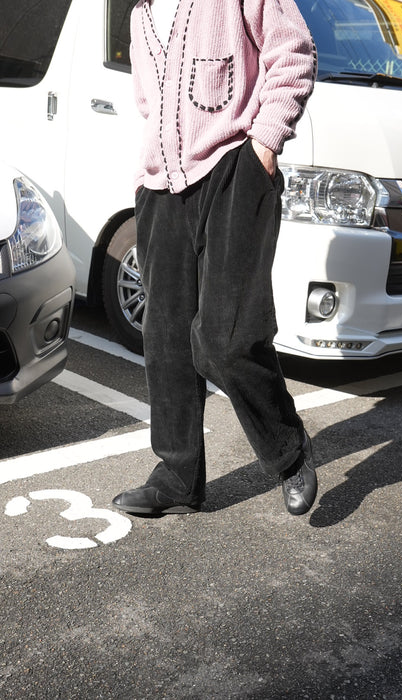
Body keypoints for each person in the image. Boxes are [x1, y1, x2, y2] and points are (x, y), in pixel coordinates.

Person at [112, 0, 318, 518]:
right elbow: (148, 107)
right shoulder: (139, 16)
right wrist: (143, 180)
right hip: (160, 190)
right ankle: (178, 478)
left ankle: (288, 451)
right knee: (165, 343)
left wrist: (264, 148)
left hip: (233, 170)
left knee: (227, 339)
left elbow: (292, 53)